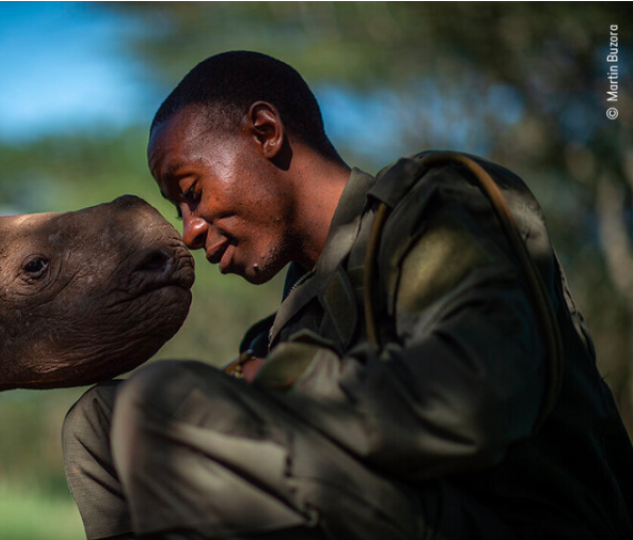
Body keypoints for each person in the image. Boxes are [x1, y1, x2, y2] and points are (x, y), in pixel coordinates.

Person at [61, 51, 633, 540]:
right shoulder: (284, 323)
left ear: (265, 132)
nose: (188, 230)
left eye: (192, 192)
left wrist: (285, 381)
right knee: (98, 419)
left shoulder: (437, 207)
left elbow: (475, 401)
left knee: (165, 400)